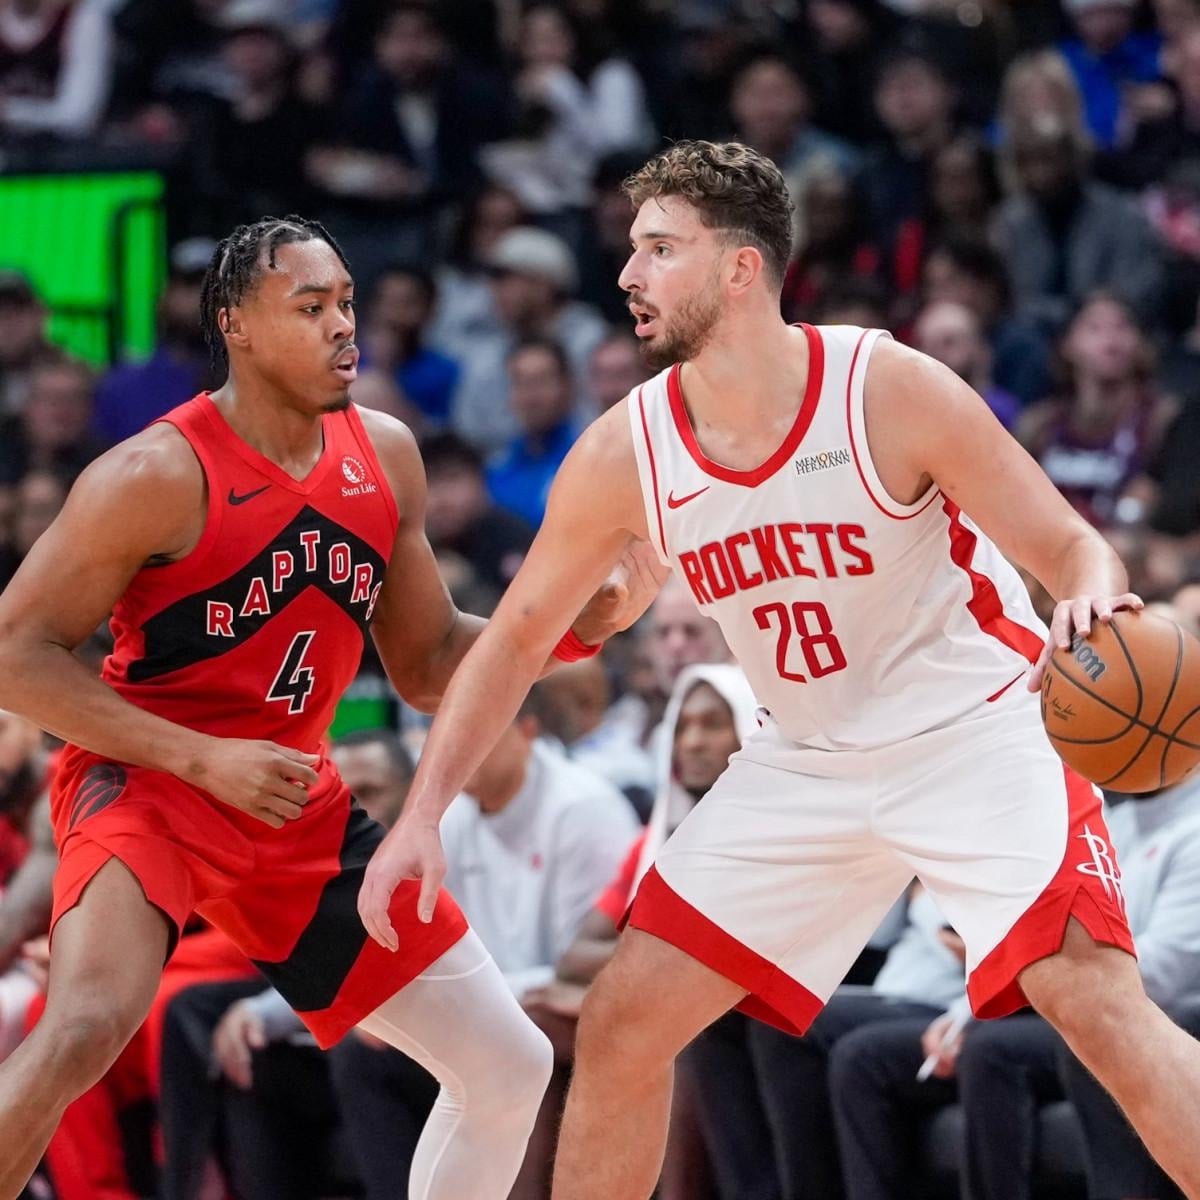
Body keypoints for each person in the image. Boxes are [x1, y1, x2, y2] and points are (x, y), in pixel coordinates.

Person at [358, 141, 1200, 1200]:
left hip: (975, 735)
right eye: (632, 249)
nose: (628, 274)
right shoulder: (629, 450)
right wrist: (423, 814)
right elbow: (517, 641)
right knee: (621, 1022)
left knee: (1099, 1010)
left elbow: (1073, 546)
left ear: (740, 268)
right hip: (804, 762)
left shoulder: (885, 388)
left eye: (660, 248)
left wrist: (1091, 598)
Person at [0, 214, 654, 1200]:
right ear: (236, 325)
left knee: (507, 1066)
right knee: (87, 1025)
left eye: (346, 302)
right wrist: (200, 758)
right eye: (311, 307)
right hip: (150, 786)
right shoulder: (154, 474)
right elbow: (15, 656)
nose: (344, 325)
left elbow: (429, 665)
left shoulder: (383, 454)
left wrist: (577, 624)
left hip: (291, 804)